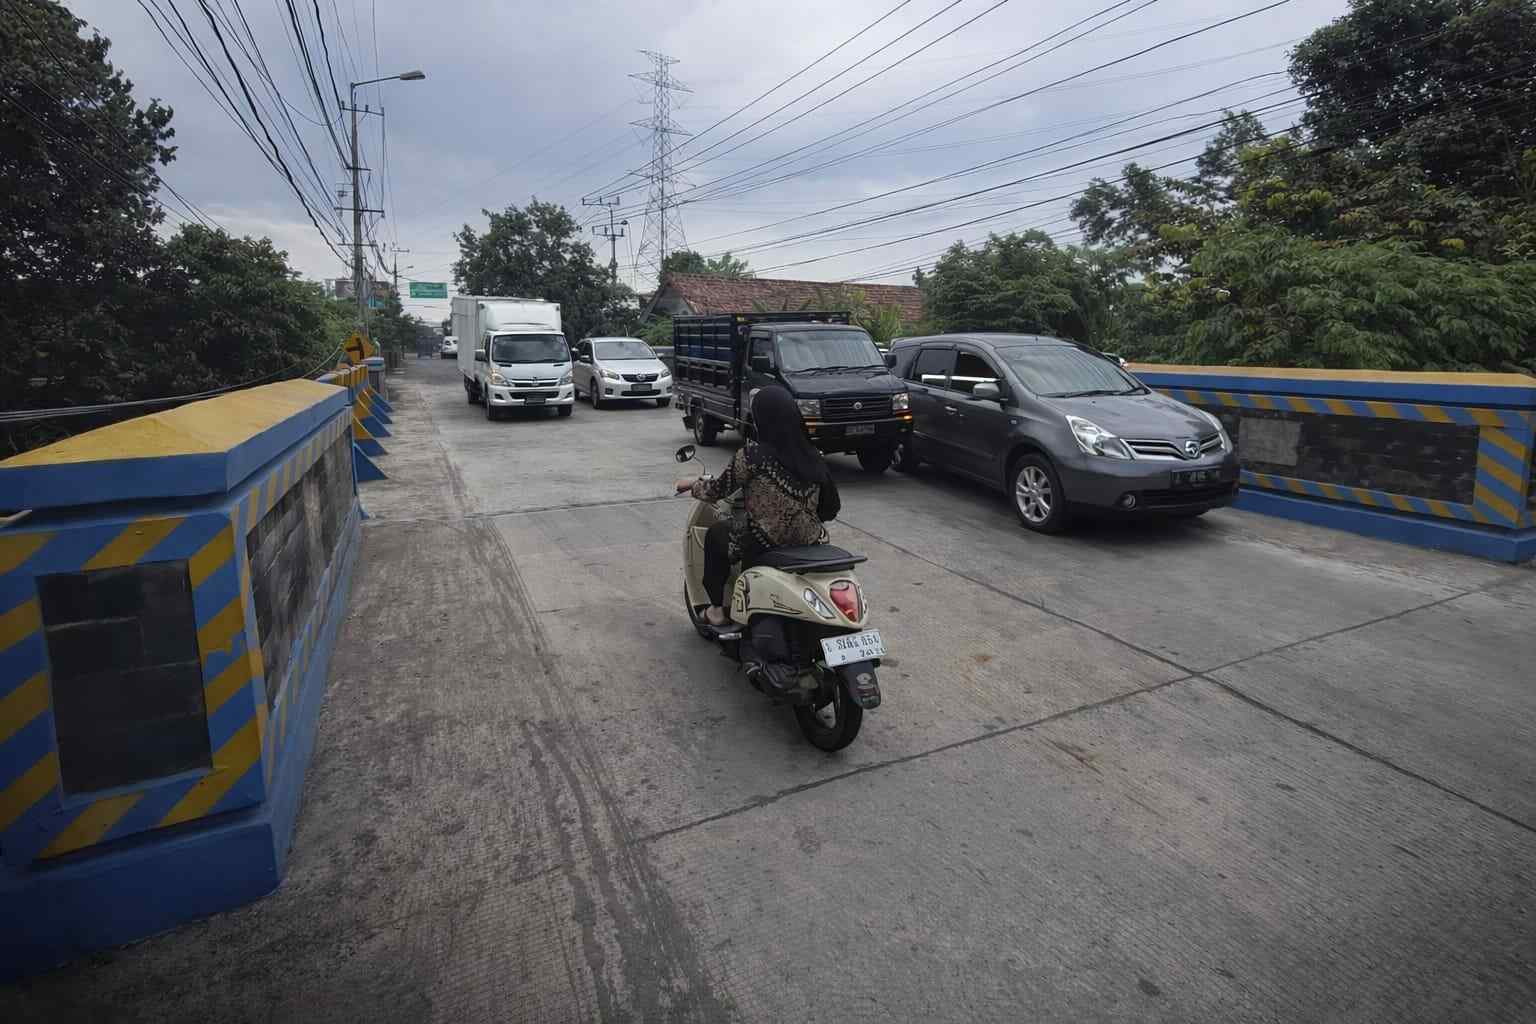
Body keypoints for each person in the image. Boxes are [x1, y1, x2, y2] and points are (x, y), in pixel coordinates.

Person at [675, 385, 841, 626]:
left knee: (715, 535)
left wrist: (692, 486)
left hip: (764, 543)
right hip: (811, 542)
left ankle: (716, 611)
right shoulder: (813, 455)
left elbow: (716, 491)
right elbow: (831, 508)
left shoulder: (752, 456)